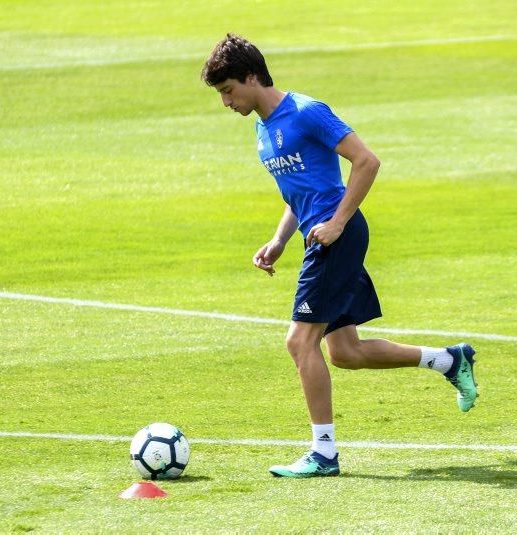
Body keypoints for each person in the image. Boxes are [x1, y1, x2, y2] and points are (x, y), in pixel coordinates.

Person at [201, 34, 478, 478]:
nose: (226, 102)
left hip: (336, 237)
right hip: (320, 236)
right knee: (346, 352)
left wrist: (338, 223)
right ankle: (449, 359)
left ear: (252, 77)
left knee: (298, 342)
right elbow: (299, 193)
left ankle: (324, 454)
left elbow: (366, 161)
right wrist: (278, 240)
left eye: (229, 90)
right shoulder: (262, 127)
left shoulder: (308, 112)